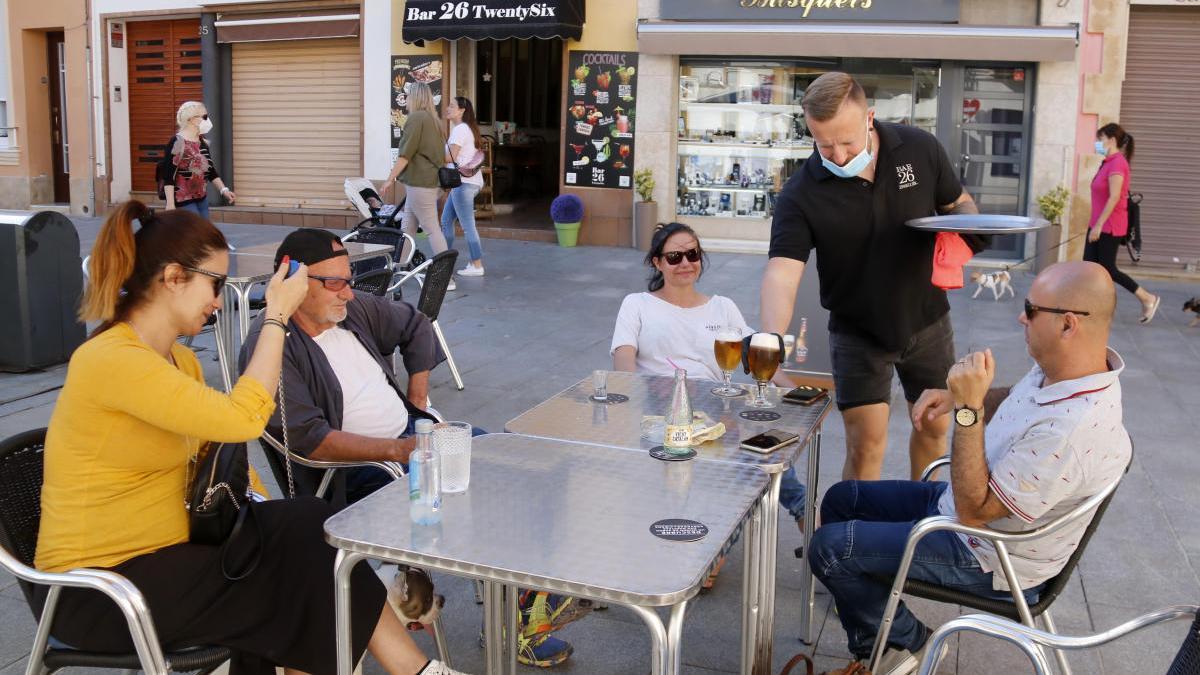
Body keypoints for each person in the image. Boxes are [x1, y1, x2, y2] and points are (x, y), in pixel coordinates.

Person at [36, 201, 460, 675]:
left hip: (171, 557)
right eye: (214, 283)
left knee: (309, 527)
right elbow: (243, 420)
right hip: (102, 590)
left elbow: (217, 454)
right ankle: (415, 669)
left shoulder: (180, 361)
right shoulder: (110, 361)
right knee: (297, 575)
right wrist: (276, 317)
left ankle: (415, 670)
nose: (219, 301)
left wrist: (260, 508)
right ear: (174, 276)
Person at [239, 228, 583, 668]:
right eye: (336, 283)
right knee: (500, 491)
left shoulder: (352, 310)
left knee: (527, 462)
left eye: (350, 278)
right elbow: (310, 439)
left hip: (413, 441)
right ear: (292, 286)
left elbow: (416, 324)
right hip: (357, 474)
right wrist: (396, 450)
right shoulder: (274, 345)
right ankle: (519, 618)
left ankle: (523, 605)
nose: (349, 292)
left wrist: (417, 399)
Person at [809, 261, 1132, 675]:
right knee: (841, 499)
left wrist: (968, 409)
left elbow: (974, 511)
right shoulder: (1071, 370)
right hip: (972, 513)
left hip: (989, 554)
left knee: (831, 550)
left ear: (1068, 324)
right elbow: (1018, 396)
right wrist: (953, 395)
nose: (1021, 316)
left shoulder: (1070, 430)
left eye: (1031, 310)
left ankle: (909, 642)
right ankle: (879, 639)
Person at [760, 71, 986, 483]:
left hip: (928, 319)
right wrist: (772, 343)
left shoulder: (918, 149)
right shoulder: (802, 192)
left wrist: (960, 237)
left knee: (934, 430)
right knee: (865, 444)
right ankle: (856, 539)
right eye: (824, 144)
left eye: (847, 142)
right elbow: (781, 273)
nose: (839, 156)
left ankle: (921, 522)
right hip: (857, 331)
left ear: (870, 117)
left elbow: (959, 202)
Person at [612, 223, 752, 381]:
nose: (685, 263)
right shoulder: (636, 304)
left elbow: (756, 353)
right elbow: (623, 358)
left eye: (692, 254)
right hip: (654, 399)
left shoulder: (724, 306)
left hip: (710, 399)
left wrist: (785, 388)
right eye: (674, 257)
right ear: (658, 263)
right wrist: (633, 395)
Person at [1085, 122, 1160, 323]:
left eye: (1100, 139)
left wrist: (1099, 225)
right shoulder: (1107, 162)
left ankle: (1147, 298)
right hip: (1098, 224)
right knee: (1090, 267)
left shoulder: (1118, 164)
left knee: (1108, 269)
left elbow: (1115, 197)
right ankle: (1093, 309)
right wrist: (1095, 224)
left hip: (1110, 226)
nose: (1097, 143)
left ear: (1112, 140)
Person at [381, 83, 453, 290]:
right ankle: (398, 268)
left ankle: (445, 278)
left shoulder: (416, 118)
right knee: (408, 227)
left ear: (414, 97)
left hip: (420, 183)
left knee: (431, 229)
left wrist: (389, 179)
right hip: (428, 182)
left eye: (408, 95)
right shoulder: (434, 120)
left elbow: (405, 154)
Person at [158, 101, 234, 219]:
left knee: (203, 233)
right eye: (204, 117)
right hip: (183, 200)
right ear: (192, 119)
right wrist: (170, 204)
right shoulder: (177, 142)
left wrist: (224, 190)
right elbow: (169, 176)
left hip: (201, 198)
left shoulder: (202, 142)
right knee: (194, 233)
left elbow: (210, 171)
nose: (207, 120)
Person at [441, 96, 487, 277]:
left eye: (452, 106)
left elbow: (448, 157)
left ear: (462, 110)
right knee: (446, 221)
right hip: (464, 183)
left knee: (468, 226)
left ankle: (477, 264)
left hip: (464, 184)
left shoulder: (460, 129)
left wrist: (429, 151)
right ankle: (443, 261)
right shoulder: (466, 129)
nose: (448, 108)